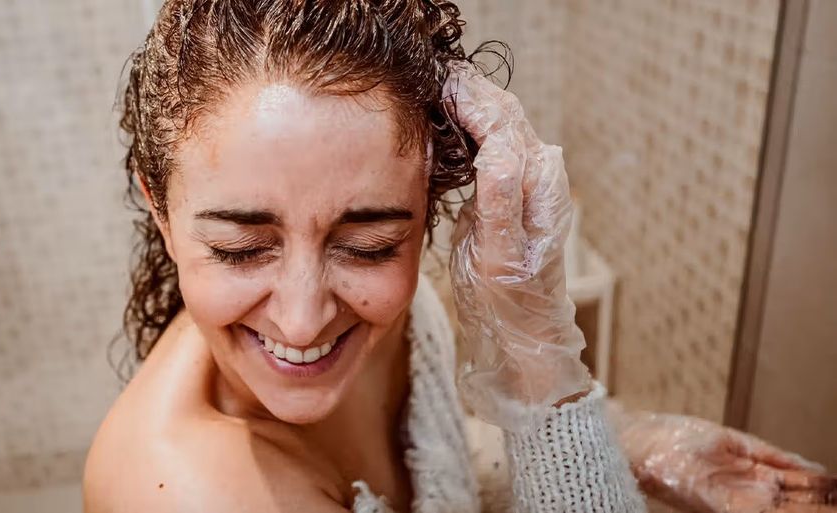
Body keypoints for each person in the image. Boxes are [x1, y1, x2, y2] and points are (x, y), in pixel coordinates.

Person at [83, 1, 837, 511]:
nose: (306, 316)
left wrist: (632, 440)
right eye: (242, 248)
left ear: (427, 201)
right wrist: (543, 373)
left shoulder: (383, 310)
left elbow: (439, 452)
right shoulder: (189, 489)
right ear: (159, 202)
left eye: (369, 244)